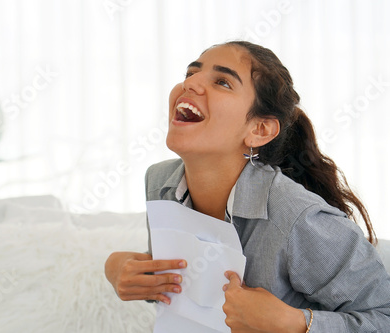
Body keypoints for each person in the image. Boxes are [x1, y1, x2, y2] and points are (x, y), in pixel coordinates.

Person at [104, 41, 390, 332]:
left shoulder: (298, 218)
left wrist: (292, 323)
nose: (189, 84)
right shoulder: (159, 183)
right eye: (191, 72)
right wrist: (116, 268)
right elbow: (179, 291)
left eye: (222, 82)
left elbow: (383, 316)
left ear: (259, 130)